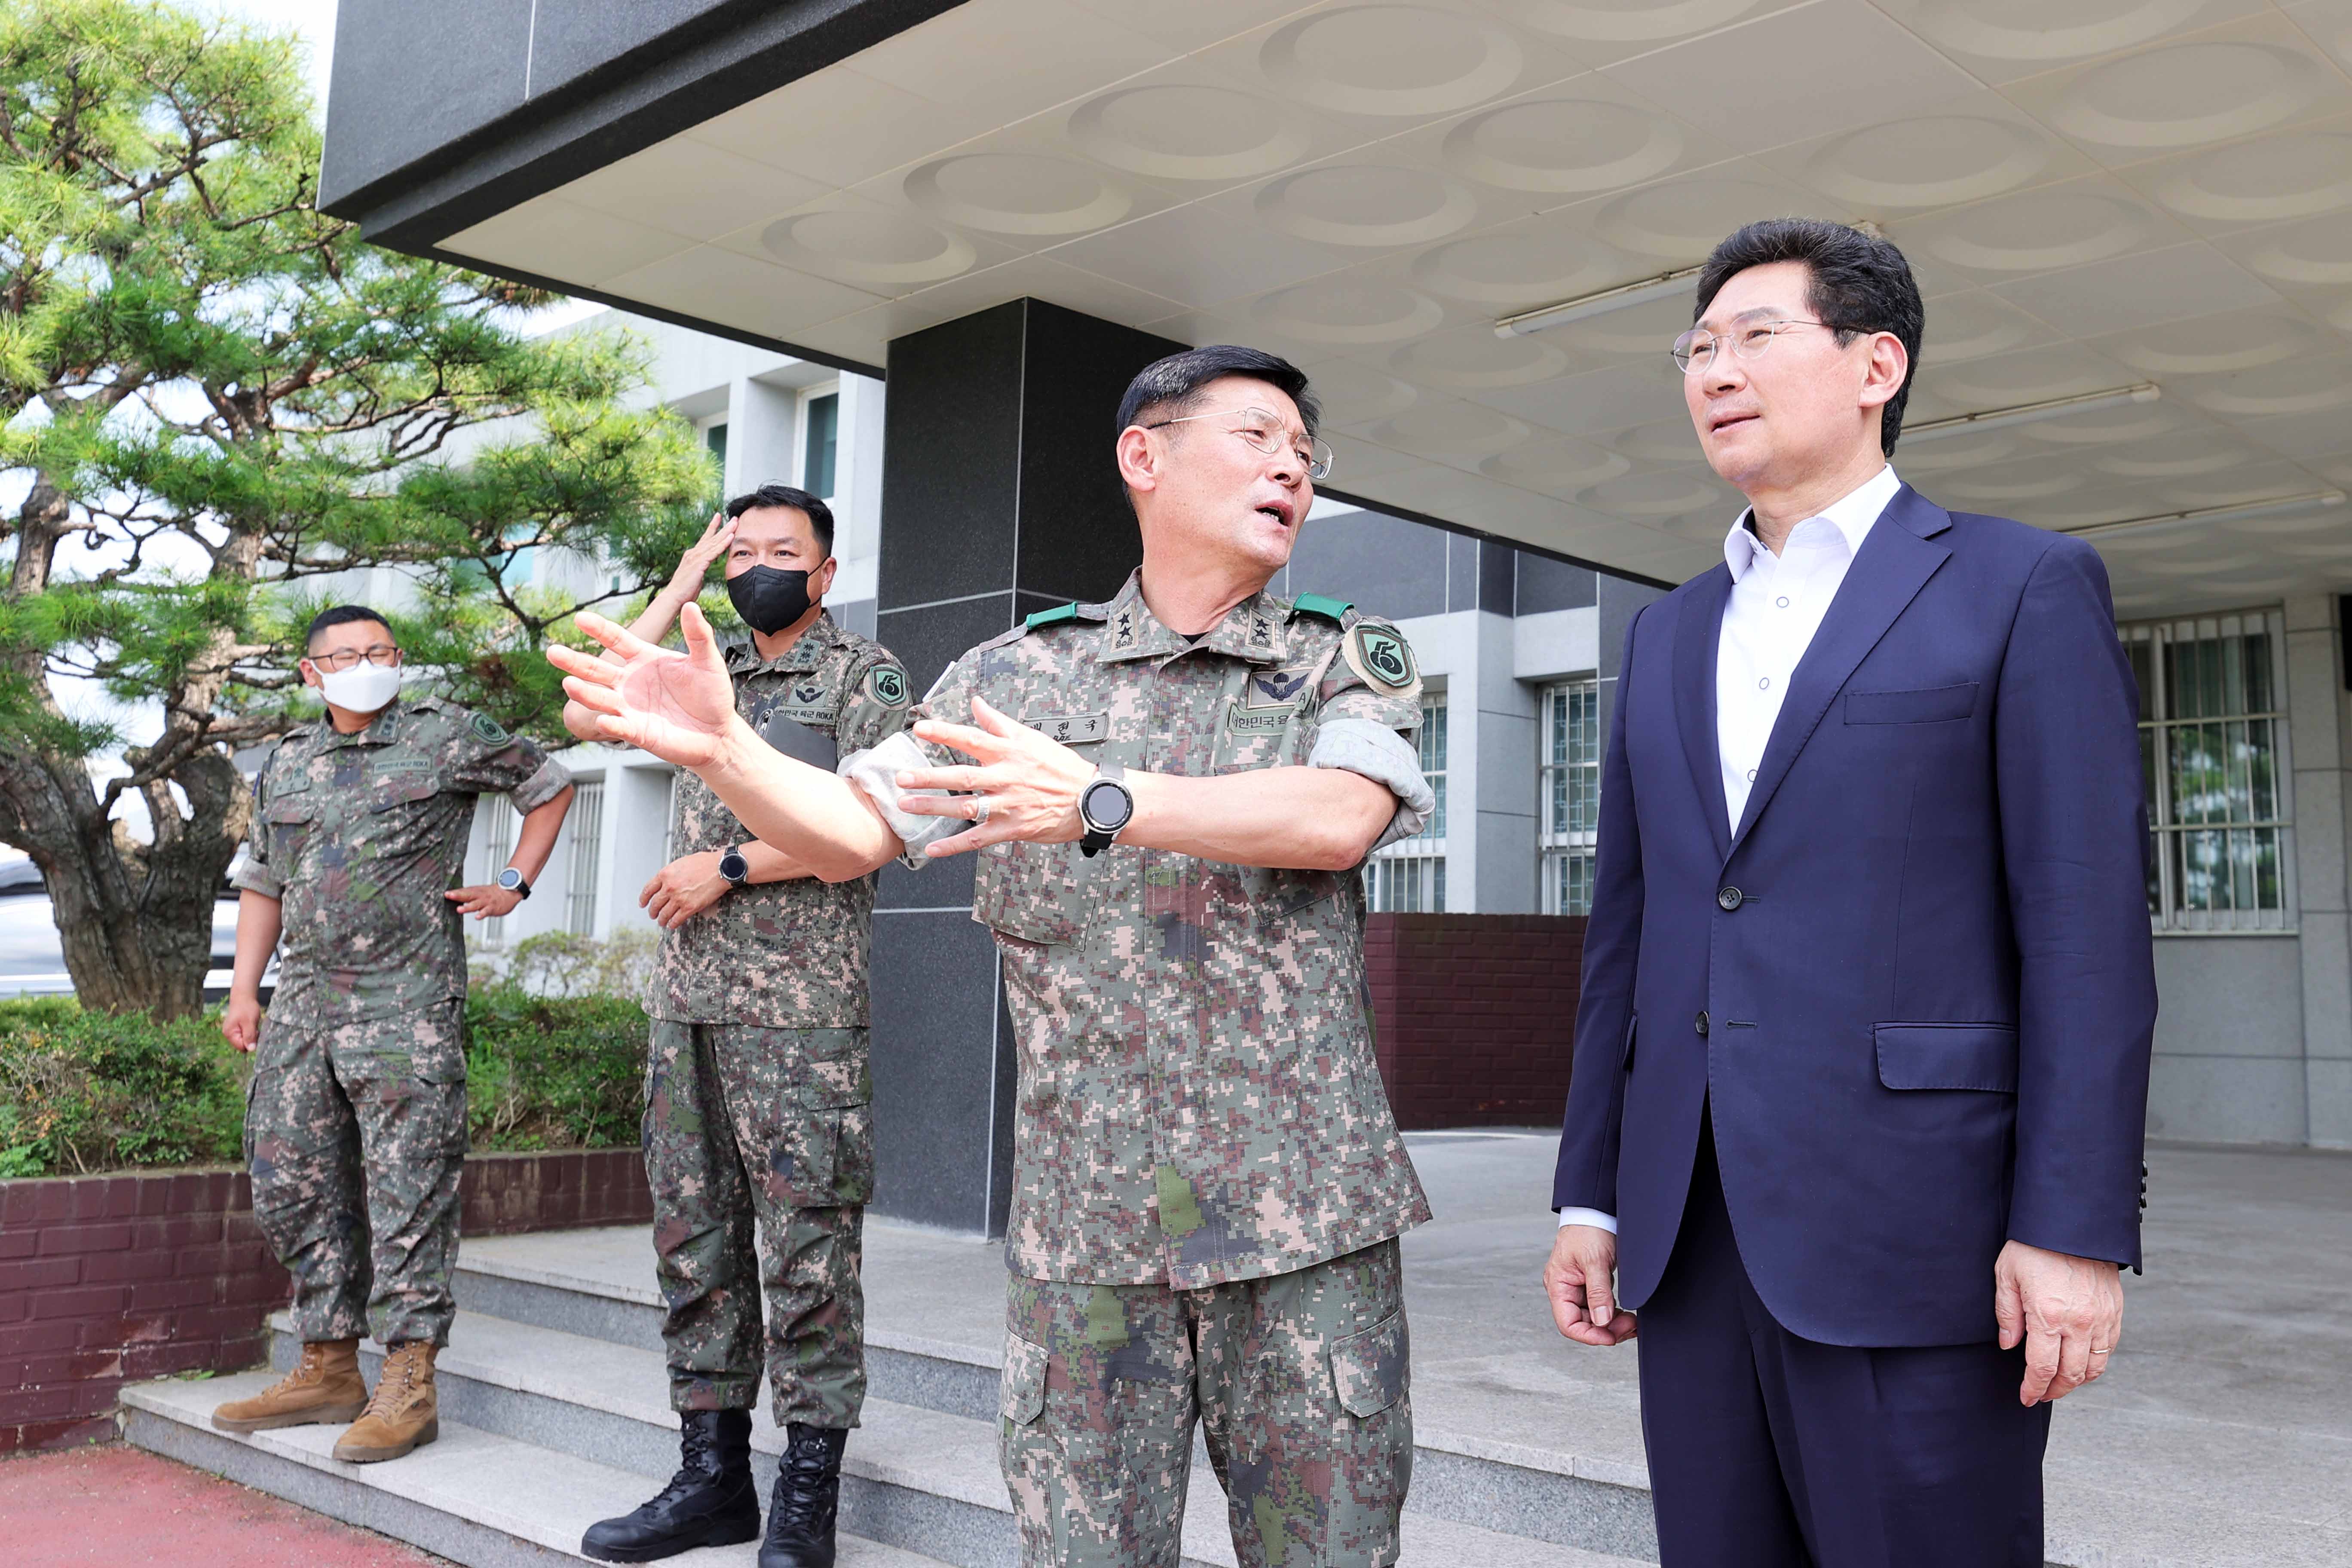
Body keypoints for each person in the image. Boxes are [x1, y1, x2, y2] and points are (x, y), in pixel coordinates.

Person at [550, 346, 1436, 1568]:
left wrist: (1106, 798)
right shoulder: (1013, 676)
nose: (1292, 466)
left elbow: (1339, 817)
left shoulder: (1342, 654)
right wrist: (721, 754)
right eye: (1257, 438)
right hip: (1088, 1241)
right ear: (1147, 456)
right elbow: (854, 833)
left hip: (1302, 1233)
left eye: (1306, 452)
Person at [1542, 220, 2157, 1566]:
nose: (1716, 368)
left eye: (1758, 335)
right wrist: (1592, 1192)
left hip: (1918, 1237)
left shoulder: (2017, 585)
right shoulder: (1667, 631)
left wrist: (2072, 1226)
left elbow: (2086, 933)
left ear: (1878, 364)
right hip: (1690, 1241)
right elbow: (1631, 937)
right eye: (1698, 347)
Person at [573, 487, 913, 1568]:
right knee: (696, 1243)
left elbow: (882, 823)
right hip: (688, 1009)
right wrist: (679, 584)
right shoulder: (704, 664)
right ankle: (713, 1477)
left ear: (823, 573)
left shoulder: (864, 676)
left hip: (800, 1014)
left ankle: (806, 1497)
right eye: (741, 553)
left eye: (784, 552)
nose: (759, 568)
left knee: (807, 1249)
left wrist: (725, 866)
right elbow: (590, 713)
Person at [211, 604, 574, 1462]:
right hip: (303, 1000)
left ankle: (408, 1380)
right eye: (344, 654)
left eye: (379, 650)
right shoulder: (288, 761)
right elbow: (264, 878)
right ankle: (329, 1363)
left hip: (405, 1000)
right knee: (290, 1176)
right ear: (312, 673)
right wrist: (243, 990)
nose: (364, 663)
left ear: (399, 660)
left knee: (408, 1186)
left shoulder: (445, 735)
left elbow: (550, 785)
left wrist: (514, 883)